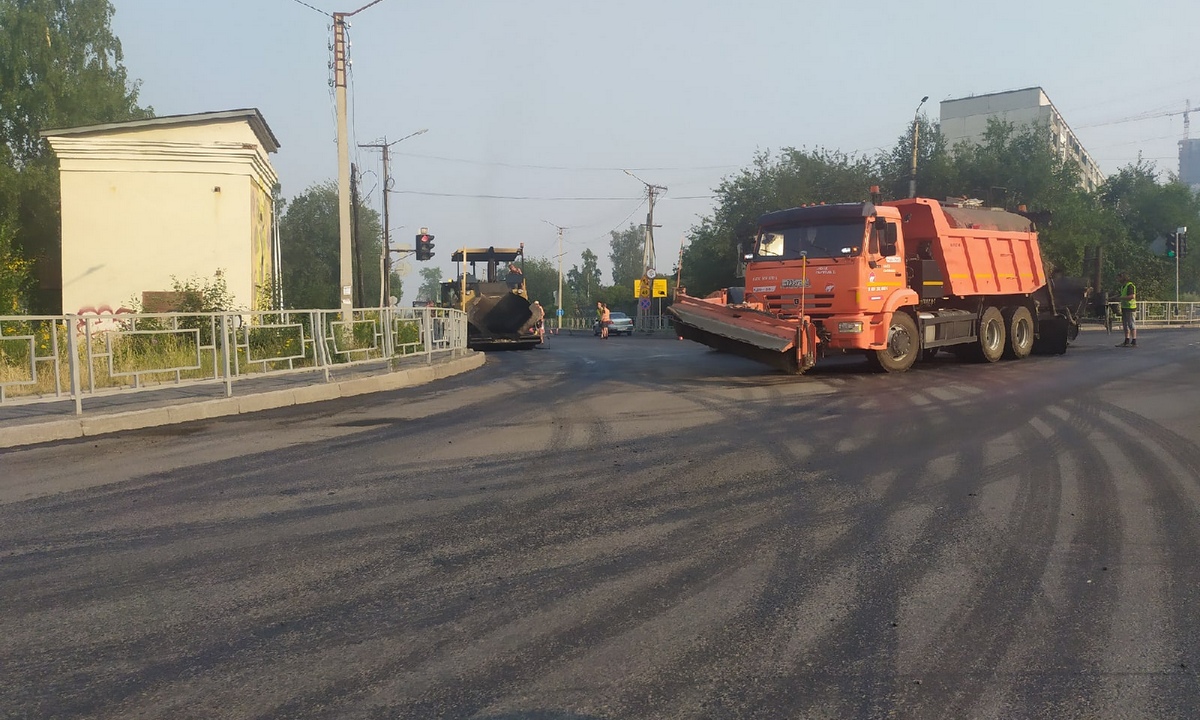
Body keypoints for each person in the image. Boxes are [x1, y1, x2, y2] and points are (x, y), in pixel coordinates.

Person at [1116, 271, 1137, 347]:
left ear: (1123, 277)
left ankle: (1134, 341)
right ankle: (1126, 340)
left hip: (1131, 308)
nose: (1118, 279)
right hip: (1124, 307)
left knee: (1131, 324)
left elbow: (1132, 296)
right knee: (1125, 325)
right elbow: (1122, 295)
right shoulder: (1123, 286)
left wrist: (1121, 298)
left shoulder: (1130, 286)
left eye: (1119, 277)